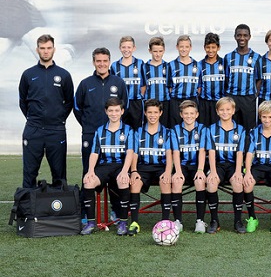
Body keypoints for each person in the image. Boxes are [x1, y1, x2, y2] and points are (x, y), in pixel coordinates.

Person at [19, 34, 74, 188]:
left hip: (56, 130)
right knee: (29, 174)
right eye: (42, 48)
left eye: (49, 48)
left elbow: (69, 101)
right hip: (33, 129)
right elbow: (23, 101)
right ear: (37, 50)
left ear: (54, 50)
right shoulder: (28, 74)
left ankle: (59, 203)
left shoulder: (63, 75)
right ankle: (28, 203)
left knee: (59, 176)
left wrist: (58, 118)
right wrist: (33, 118)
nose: (45, 51)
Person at [80, 98, 135, 236]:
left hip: (120, 165)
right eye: (111, 110)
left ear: (122, 111)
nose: (114, 113)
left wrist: (125, 171)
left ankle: (123, 222)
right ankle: (90, 223)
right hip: (104, 165)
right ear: (106, 111)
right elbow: (94, 152)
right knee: (88, 182)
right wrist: (90, 171)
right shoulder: (100, 130)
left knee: (123, 181)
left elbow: (130, 153)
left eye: (117, 110)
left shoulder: (128, 130)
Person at [74, 47, 129, 177]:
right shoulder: (85, 83)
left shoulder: (119, 82)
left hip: (113, 135)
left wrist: (114, 127)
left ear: (109, 62)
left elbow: (125, 107)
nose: (102, 64)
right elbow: (77, 108)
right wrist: (87, 124)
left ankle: (114, 192)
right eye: (98, 61)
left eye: (105, 61)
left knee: (114, 171)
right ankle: (87, 191)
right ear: (93, 62)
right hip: (90, 133)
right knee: (88, 171)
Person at [128, 99, 173, 235]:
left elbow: (169, 154)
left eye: (155, 112)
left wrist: (168, 172)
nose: (152, 115)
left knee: (165, 182)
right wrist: (134, 171)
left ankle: (165, 222)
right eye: (149, 112)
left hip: (160, 167)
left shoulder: (167, 132)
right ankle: (134, 223)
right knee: (135, 183)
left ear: (161, 113)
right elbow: (134, 153)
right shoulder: (138, 132)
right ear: (145, 113)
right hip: (143, 167)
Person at [205, 97, 247, 234]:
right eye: (222, 110)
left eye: (228, 109)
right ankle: (214, 220)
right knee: (211, 183)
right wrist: (212, 171)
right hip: (217, 165)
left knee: (238, 183)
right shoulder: (211, 129)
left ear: (233, 111)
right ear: (217, 111)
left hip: (234, 165)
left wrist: (238, 171)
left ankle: (238, 221)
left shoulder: (240, 130)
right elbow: (211, 152)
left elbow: (240, 153)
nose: (225, 112)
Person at [243, 101, 271, 233]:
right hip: (258, 166)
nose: (267, 120)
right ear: (260, 116)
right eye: (264, 117)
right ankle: (252, 218)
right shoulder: (253, 132)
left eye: (270, 117)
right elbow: (249, 154)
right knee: (247, 184)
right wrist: (248, 172)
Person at [170, 100, 208, 233]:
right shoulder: (175, 130)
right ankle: (178, 221)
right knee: (177, 181)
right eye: (186, 113)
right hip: (182, 165)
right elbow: (175, 152)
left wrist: (200, 170)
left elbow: (202, 150)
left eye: (192, 113)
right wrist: (178, 171)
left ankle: (200, 221)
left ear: (197, 114)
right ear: (181, 114)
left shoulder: (203, 129)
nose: (189, 116)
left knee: (200, 181)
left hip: (198, 165)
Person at [224, 24, 262, 132]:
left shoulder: (256, 57)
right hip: (233, 98)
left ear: (249, 37)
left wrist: (255, 94)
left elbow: (259, 79)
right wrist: (228, 94)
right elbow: (226, 78)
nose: (242, 38)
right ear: (235, 37)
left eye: (245, 35)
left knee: (249, 129)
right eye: (239, 35)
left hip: (248, 99)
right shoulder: (228, 57)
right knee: (232, 128)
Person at [111, 36, 146, 129]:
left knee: (137, 129)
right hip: (121, 103)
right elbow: (113, 86)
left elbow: (143, 85)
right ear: (120, 48)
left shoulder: (140, 63)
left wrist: (139, 97)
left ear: (134, 48)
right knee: (121, 129)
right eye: (124, 47)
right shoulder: (115, 66)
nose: (126, 50)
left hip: (136, 103)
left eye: (129, 47)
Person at [167, 35, 199, 127]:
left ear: (190, 47)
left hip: (192, 101)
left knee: (191, 127)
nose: (184, 49)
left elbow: (199, 87)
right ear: (177, 47)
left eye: (186, 47)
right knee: (175, 127)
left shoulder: (197, 65)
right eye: (181, 47)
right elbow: (169, 86)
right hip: (176, 102)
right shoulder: (171, 65)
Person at [197, 32, 224, 127]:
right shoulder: (200, 65)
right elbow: (198, 86)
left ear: (218, 47)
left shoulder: (224, 63)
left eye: (213, 47)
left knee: (218, 129)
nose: (210, 50)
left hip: (220, 102)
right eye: (208, 47)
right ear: (204, 47)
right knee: (203, 129)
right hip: (204, 103)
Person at [143, 37, 171, 128]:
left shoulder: (168, 66)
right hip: (149, 103)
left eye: (160, 51)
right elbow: (143, 87)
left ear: (164, 51)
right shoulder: (144, 67)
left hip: (165, 102)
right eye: (155, 51)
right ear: (150, 51)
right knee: (149, 128)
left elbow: (171, 86)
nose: (158, 54)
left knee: (165, 128)